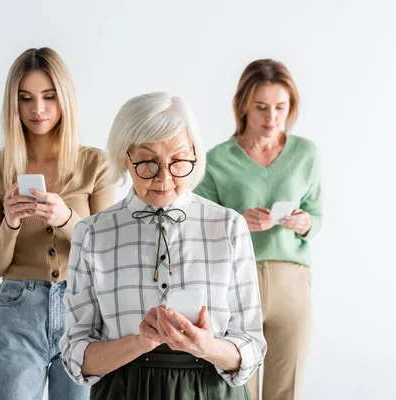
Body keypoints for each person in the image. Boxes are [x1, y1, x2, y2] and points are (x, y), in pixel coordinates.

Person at [61, 92, 266, 400]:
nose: (164, 178)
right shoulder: (92, 234)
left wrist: (205, 346)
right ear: (124, 157)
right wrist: (139, 342)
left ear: (194, 154)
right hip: (124, 390)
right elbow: (76, 356)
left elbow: (251, 346)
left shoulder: (228, 226)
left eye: (179, 161)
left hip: (212, 390)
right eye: (147, 162)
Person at [0, 47, 115, 400]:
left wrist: (67, 219)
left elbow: (108, 254)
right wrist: (11, 223)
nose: (37, 109)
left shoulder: (96, 164)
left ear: (64, 98)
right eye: (26, 98)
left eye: (49, 97)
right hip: (18, 309)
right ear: (14, 104)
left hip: (82, 310)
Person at [194, 59, 323, 400]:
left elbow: (316, 213)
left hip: (291, 284)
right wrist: (237, 220)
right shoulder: (217, 160)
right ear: (243, 107)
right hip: (236, 281)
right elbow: (194, 226)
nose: (272, 118)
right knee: (237, 389)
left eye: (281, 107)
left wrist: (305, 222)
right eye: (261, 107)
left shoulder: (305, 154)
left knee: (286, 390)